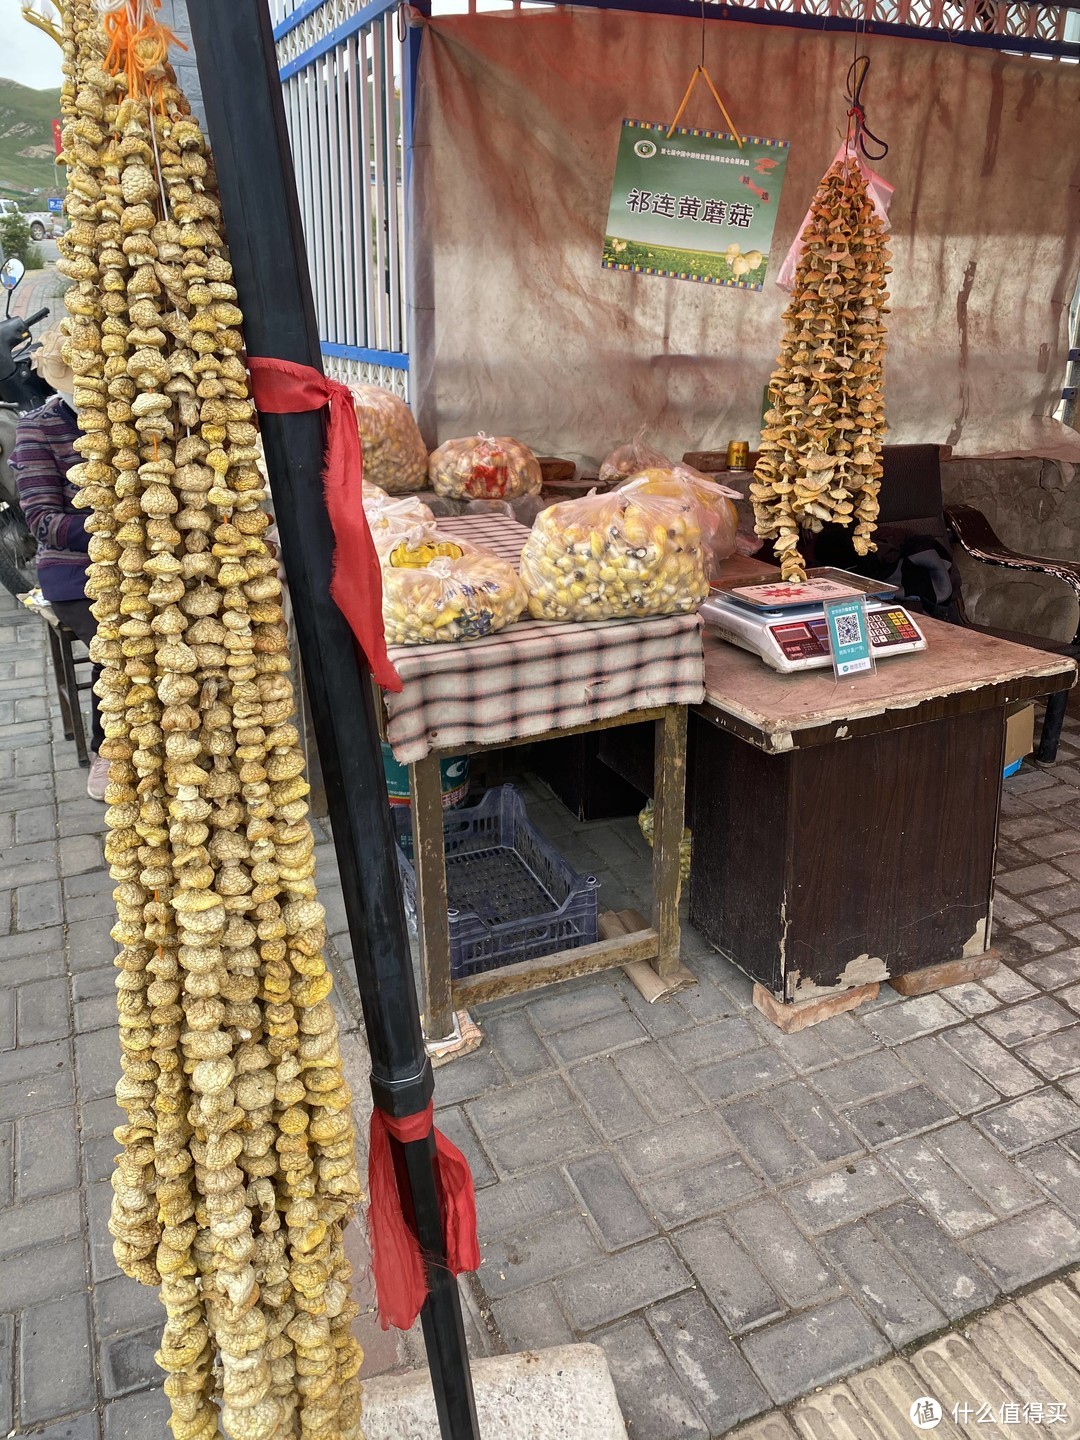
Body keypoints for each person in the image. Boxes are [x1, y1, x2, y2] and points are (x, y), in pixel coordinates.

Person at [10, 326, 108, 801]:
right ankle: (108, 748)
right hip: (75, 573)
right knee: (122, 647)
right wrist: (114, 529)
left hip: (141, 569)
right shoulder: (38, 429)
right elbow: (44, 522)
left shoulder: (125, 420)